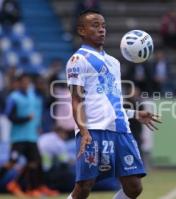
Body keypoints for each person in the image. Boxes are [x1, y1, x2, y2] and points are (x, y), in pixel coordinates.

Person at [66, 10, 161, 199]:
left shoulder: (114, 62)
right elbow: (76, 99)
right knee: (84, 186)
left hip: (120, 130)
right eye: (95, 25)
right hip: (93, 130)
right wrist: (83, 131)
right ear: (81, 30)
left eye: (103, 26)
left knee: (134, 187)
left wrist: (134, 113)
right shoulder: (78, 60)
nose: (101, 30)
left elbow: (111, 102)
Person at [0, 74, 58, 197]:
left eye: (28, 82)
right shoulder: (14, 97)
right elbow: (9, 116)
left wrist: (38, 126)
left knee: (34, 163)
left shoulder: (33, 96)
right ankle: (16, 184)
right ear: (19, 83)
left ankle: (28, 187)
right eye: (24, 82)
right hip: (18, 137)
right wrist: (25, 119)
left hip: (31, 136)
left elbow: (40, 108)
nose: (26, 84)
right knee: (12, 163)